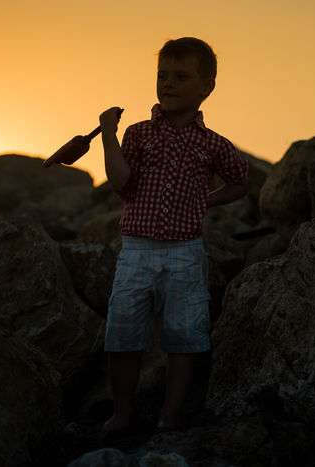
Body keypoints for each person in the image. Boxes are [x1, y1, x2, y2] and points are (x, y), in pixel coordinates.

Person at [98, 37, 249, 438]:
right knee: (123, 334)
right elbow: (120, 182)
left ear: (207, 87)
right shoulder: (139, 133)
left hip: (185, 251)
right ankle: (123, 413)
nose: (168, 83)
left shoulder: (213, 144)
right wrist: (109, 132)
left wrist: (205, 201)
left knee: (183, 336)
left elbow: (240, 183)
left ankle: (171, 413)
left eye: (181, 76)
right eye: (162, 75)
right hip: (136, 250)